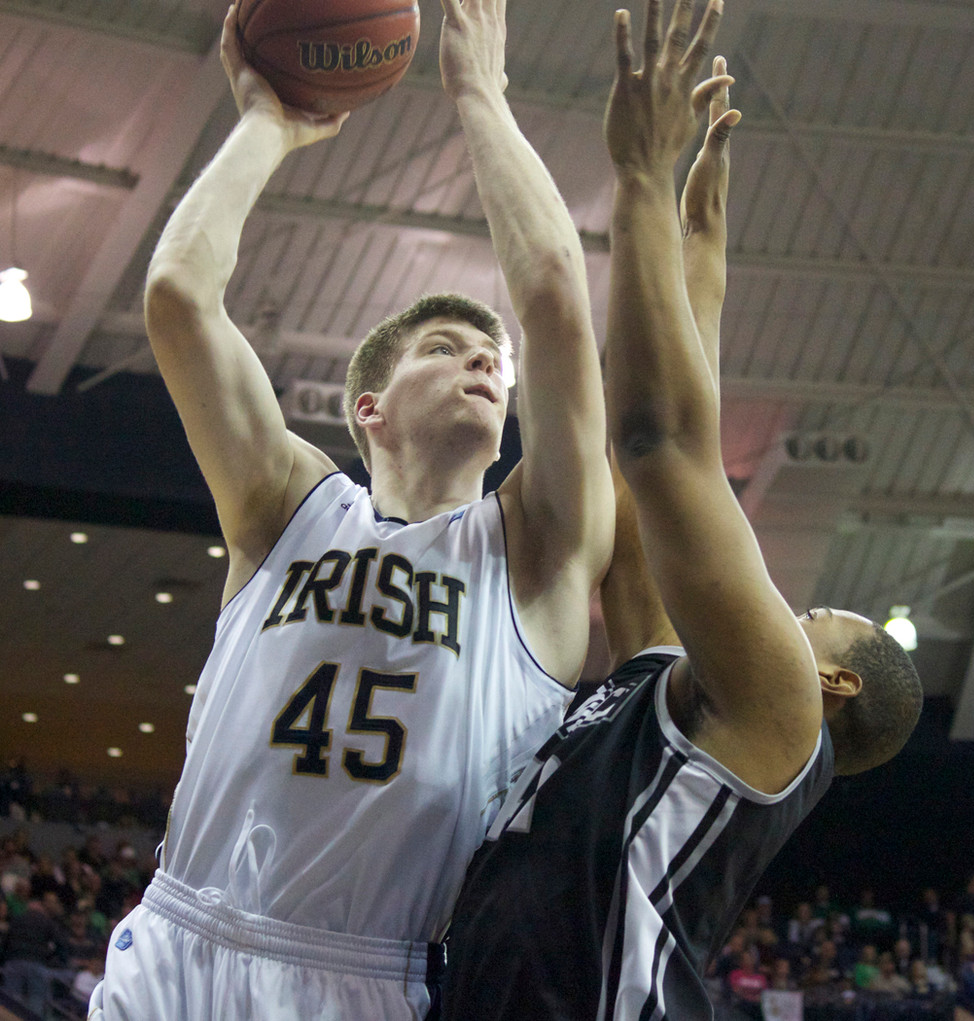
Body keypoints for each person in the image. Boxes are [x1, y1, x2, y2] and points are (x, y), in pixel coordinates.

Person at [88, 0, 613, 1017]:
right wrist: (265, 128)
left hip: (361, 973)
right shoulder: (287, 504)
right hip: (178, 937)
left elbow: (552, 292)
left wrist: (482, 98)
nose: (483, 362)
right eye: (443, 348)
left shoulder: (536, 548)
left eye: (490, 358)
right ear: (364, 407)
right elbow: (178, 297)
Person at [438, 0, 922, 1017]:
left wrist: (641, 185)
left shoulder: (780, 710)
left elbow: (662, 446)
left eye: (809, 616)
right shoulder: (672, 687)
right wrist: (698, 257)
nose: (785, 608)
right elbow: (637, 489)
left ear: (828, 678)